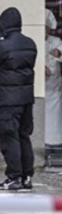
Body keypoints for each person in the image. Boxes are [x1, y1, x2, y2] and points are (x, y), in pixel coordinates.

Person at [0, 7, 38, 191]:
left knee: (9, 138)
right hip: (27, 99)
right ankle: (27, 176)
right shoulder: (30, 44)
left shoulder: (2, 46)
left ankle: (14, 177)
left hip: (8, 101)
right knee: (24, 136)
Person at [47, 10, 62, 157]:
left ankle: (55, 143)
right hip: (41, 86)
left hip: (54, 84)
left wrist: (58, 54)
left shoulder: (56, 41)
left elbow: (59, 53)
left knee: (54, 117)